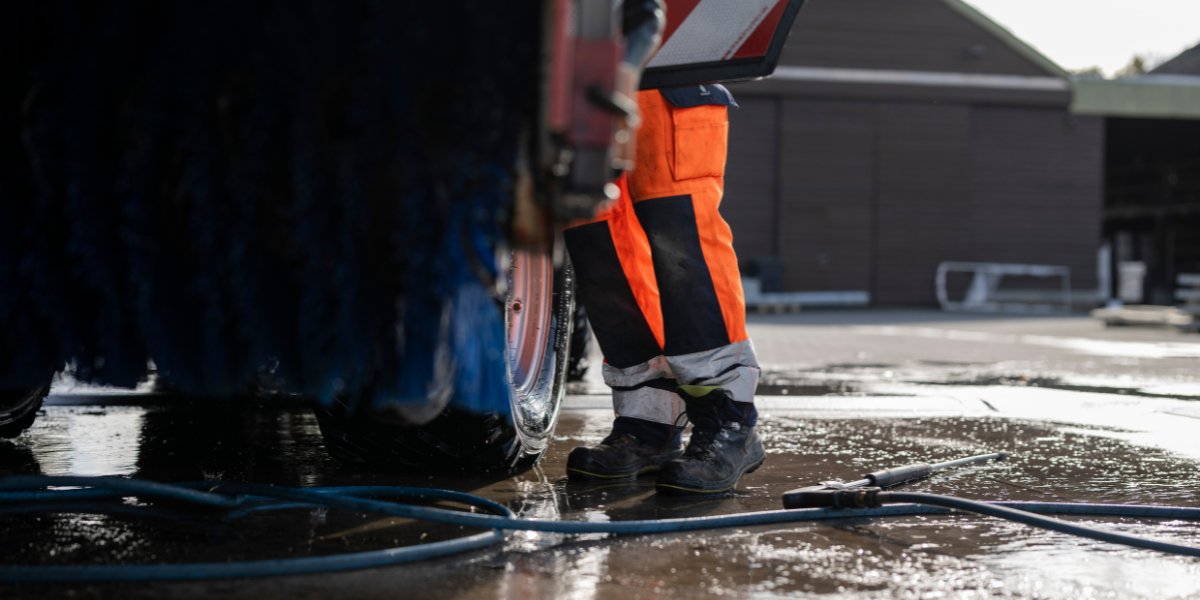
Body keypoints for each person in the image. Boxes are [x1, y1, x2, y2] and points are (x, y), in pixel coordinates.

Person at [563, 82, 763, 496]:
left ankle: (729, 422)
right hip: (581, 83)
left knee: (679, 232)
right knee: (598, 243)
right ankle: (647, 424)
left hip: (668, 70)